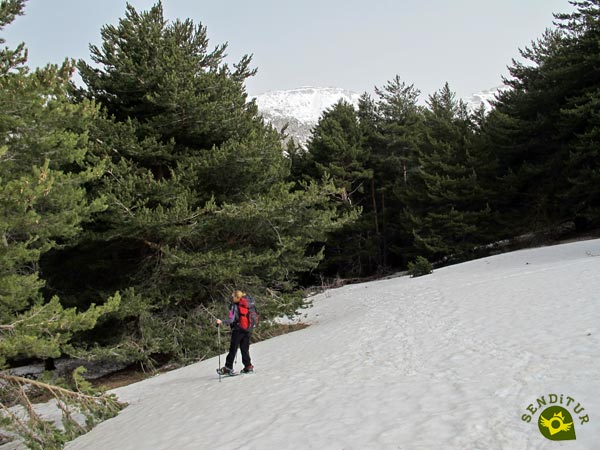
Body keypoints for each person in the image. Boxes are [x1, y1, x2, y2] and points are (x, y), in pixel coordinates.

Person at [216, 290, 254, 375]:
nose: (232, 298)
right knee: (244, 349)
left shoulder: (235, 306)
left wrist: (221, 322)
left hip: (238, 329)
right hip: (247, 329)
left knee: (233, 349)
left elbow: (231, 319)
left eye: (233, 296)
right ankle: (248, 366)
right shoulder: (247, 304)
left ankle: (228, 368)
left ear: (237, 297)